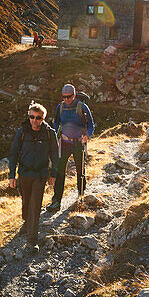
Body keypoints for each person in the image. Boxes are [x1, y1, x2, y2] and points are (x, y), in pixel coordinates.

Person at [8, 102, 60, 246]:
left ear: (43, 119)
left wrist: (53, 174)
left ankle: (32, 241)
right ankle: (26, 221)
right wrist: (11, 175)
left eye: (38, 118)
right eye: (32, 117)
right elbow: (13, 154)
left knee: (35, 204)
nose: (34, 120)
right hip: (24, 173)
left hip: (40, 174)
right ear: (28, 116)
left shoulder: (50, 133)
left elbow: (55, 155)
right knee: (26, 202)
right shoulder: (22, 132)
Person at [49, 83, 95, 212]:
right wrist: (54, 135)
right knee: (59, 171)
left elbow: (91, 124)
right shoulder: (60, 107)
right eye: (64, 97)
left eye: (69, 97)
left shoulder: (82, 107)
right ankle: (56, 201)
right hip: (64, 143)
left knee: (80, 171)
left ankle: (81, 197)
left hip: (78, 143)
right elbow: (56, 122)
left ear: (74, 95)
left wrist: (88, 135)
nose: (66, 99)